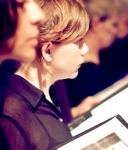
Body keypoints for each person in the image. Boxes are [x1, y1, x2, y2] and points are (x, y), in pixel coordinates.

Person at [0, 0, 90, 149]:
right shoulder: (11, 114)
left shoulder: (55, 90)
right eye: (79, 41)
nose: (85, 49)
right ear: (48, 51)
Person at [65, 0, 128, 108]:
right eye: (114, 24)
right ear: (96, 24)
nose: (116, 32)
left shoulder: (96, 63)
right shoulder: (89, 71)